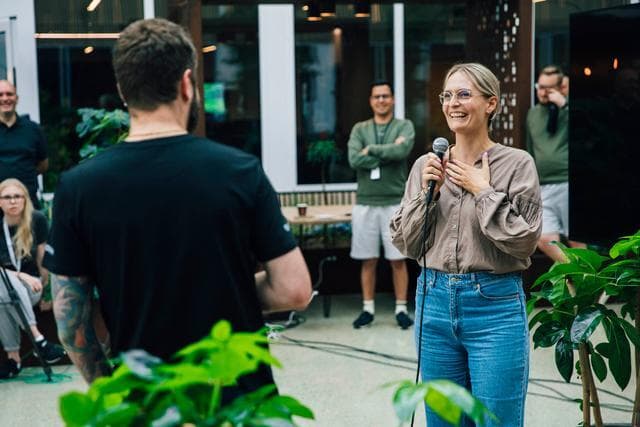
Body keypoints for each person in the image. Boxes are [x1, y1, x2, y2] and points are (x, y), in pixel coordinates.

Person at [44, 19, 312, 398]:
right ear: (187, 84)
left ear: (122, 91)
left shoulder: (78, 187)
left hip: (144, 401)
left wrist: (109, 393)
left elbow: (70, 320)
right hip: (238, 402)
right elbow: (294, 290)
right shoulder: (239, 172)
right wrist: (222, 290)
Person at [390, 63, 541, 426]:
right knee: (444, 420)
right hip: (433, 303)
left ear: (491, 103)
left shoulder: (517, 164)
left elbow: (524, 242)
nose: (452, 103)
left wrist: (483, 191)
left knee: (496, 420)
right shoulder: (426, 167)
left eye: (463, 94)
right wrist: (428, 197)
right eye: (447, 95)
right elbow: (405, 243)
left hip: (495, 307)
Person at [347, 80, 415, 329]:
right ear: (371, 101)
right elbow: (354, 160)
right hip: (366, 203)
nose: (381, 100)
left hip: (395, 202)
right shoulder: (360, 128)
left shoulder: (404, 126)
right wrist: (388, 152)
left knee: (398, 260)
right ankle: (368, 309)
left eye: (386, 96)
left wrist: (371, 150)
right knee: (368, 260)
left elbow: (402, 152)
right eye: (377, 96)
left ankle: (401, 309)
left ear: (393, 99)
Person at [0, 178, 65, 379]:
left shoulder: (37, 219)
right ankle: (38, 341)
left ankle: (14, 359)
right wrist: (20, 275)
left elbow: (44, 259)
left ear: (25, 199)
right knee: (2, 289)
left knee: (4, 290)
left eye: (17, 196)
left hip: (32, 289)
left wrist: (47, 293)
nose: (13, 201)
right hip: (6, 287)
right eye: (7, 197)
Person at [526, 65, 574, 262]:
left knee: (577, 240)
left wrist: (564, 105)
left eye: (548, 88)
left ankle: (585, 278)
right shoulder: (533, 114)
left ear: (561, 88)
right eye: (540, 86)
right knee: (543, 237)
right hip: (543, 185)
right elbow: (530, 148)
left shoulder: (569, 108)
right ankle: (576, 272)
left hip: (567, 181)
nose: (542, 92)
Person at [0, 80, 48, 209]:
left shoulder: (33, 129)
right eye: (1, 95)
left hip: (27, 204)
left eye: (9, 94)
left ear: (16, 98)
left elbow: (43, 165)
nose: (5, 98)